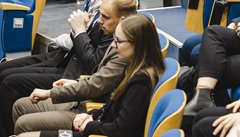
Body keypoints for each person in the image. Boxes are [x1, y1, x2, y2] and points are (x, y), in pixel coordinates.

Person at [0, 0, 136, 135]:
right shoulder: (106, 10)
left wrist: (80, 31)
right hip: (73, 74)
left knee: (10, 83)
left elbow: (95, 70)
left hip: (80, 93)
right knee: (10, 80)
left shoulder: (120, 30)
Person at [34, 14, 166, 137]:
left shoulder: (141, 79)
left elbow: (120, 128)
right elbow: (110, 109)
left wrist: (89, 126)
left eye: (119, 41)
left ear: (137, 44)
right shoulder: (132, 68)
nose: (114, 46)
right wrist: (88, 115)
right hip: (97, 127)